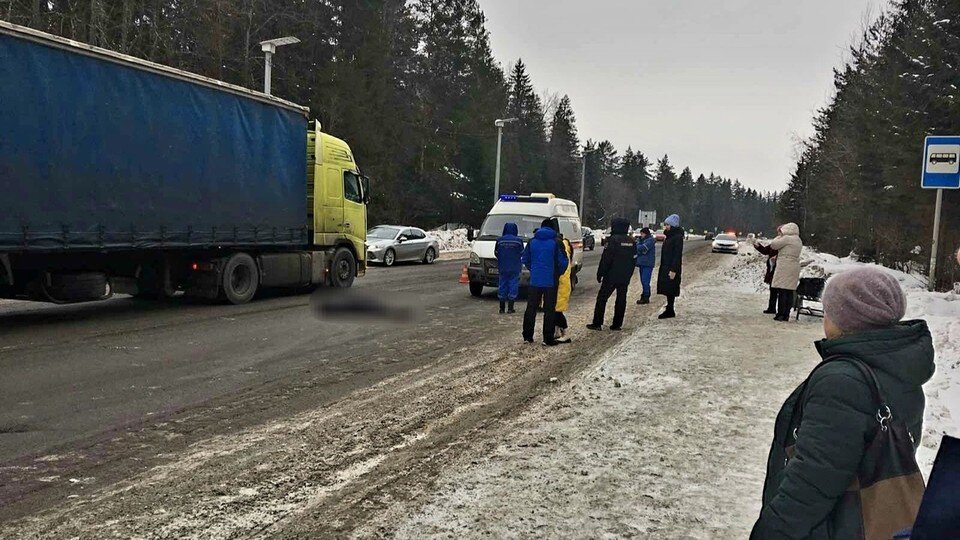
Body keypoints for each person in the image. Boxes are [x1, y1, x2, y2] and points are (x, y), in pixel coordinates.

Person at [751, 267, 934, 539]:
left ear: (847, 319)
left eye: (829, 310)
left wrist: (771, 531)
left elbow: (811, 483)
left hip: (836, 526)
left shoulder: (842, 382)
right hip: (872, 521)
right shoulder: (899, 366)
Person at [521, 219, 568, 346]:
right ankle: (547, 338)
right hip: (551, 281)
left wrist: (534, 269)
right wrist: (558, 273)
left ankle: (527, 336)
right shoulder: (556, 242)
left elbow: (525, 258)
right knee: (549, 310)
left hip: (535, 280)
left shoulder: (532, 241)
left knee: (531, 308)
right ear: (553, 229)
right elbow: (563, 262)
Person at [587, 217, 636, 331]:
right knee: (621, 299)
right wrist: (629, 274)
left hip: (611, 276)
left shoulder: (613, 240)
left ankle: (597, 323)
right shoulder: (631, 241)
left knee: (602, 299)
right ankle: (617, 324)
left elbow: (606, 259)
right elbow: (634, 259)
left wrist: (600, 273)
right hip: (624, 276)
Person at [760, 222, 802, 322]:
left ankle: (780, 314)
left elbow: (774, 245)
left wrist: (779, 236)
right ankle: (786, 314)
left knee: (782, 290)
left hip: (784, 265)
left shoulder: (787, 238)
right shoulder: (798, 239)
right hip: (794, 265)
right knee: (789, 291)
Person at [550, 218, 574, 343]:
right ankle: (557, 331)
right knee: (555, 308)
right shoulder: (565, 242)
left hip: (560, 281)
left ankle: (565, 332)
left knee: (556, 310)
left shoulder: (559, 244)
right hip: (562, 280)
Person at [656, 214, 684, 319]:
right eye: (665, 224)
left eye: (668, 225)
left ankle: (670, 310)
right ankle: (669, 307)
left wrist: (673, 270)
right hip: (666, 266)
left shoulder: (677, 237)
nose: (666, 226)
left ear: (673, 225)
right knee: (668, 288)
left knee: (670, 288)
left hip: (671, 267)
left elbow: (677, 255)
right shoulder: (669, 236)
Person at [494, 222, 523, 314]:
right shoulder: (518, 241)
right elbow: (522, 252)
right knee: (513, 285)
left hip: (503, 266)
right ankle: (511, 308)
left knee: (502, 285)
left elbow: (496, 252)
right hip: (514, 267)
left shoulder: (500, 240)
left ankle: (501, 308)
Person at [753, 232, 779, 314]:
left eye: (779, 231)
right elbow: (765, 251)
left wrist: (776, 258)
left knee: (776, 290)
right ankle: (772, 308)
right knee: (772, 289)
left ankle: (776, 309)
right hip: (772, 269)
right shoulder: (776, 242)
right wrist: (758, 246)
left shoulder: (782, 244)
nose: (778, 233)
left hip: (778, 269)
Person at [634, 227, 656, 305]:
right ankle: (645, 295)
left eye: (642, 233)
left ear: (646, 233)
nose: (641, 235)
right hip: (642, 263)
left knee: (645, 281)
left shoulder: (650, 240)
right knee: (643, 281)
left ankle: (646, 296)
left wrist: (638, 247)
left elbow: (643, 249)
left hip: (648, 264)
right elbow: (637, 247)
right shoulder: (641, 240)